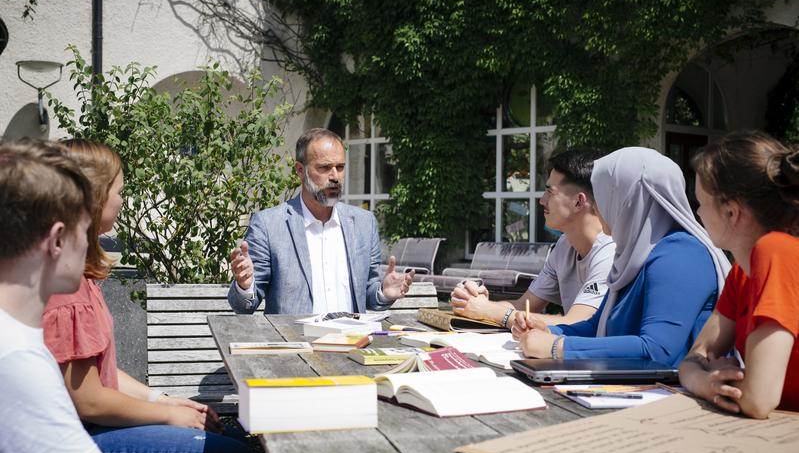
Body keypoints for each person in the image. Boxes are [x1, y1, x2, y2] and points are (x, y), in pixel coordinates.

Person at [0, 140, 253, 453]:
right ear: (57, 239)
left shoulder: (18, 345)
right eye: (83, 227)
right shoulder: (18, 361)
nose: (91, 242)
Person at [512, 147, 730, 366]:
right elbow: (598, 327)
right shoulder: (634, 253)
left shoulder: (681, 255)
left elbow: (658, 351)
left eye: (602, 194)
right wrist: (549, 330)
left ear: (628, 198)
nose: (596, 206)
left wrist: (557, 346)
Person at [228, 128, 414, 314]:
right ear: (300, 170)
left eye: (340, 167)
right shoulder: (269, 225)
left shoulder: (364, 223)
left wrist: (384, 292)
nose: (335, 177)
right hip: (298, 340)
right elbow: (243, 306)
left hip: (352, 340)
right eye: (324, 168)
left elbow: (368, 295)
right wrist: (245, 285)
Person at [679, 131, 799, 418]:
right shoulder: (742, 272)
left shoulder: (776, 251)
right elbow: (694, 357)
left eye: (701, 203)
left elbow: (757, 400)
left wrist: (714, 381)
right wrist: (705, 382)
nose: (698, 213)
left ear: (731, 212)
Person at [450, 149, 615, 327]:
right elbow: (524, 306)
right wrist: (473, 303)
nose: (541, 200)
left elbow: (578, 323)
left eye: (550, 193)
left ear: (579, 202)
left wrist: (488, 311)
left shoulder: (611, 251)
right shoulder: (565, 245)